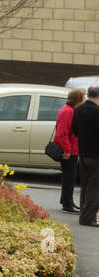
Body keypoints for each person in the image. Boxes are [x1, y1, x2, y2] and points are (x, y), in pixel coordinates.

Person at [71, 84, 99, 227]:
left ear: (88, 94)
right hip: (96, 154)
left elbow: (75, 129)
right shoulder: (97, 111)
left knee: (85, 185)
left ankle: (84, 214)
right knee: (94, 188)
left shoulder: (79, 109)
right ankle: (89, 218)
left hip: (82, 152)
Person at [56, 88, 84, 213]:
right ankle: (68, 204)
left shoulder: (69, 110)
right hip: (70, 150)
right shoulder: (68, 112)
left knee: (69, 177)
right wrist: (67, 150)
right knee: (69, 178)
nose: (84, 100)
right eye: (83, 97)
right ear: (79, 99)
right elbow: (62, 133)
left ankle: (67, 200)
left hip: (72, 149)